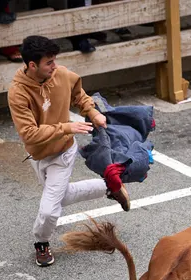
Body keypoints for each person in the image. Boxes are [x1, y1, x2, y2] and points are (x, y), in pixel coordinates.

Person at [8, 35, 131, 267]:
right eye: (49, 63)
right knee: (60, 197)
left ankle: (41, 243)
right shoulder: (18, 93)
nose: (54, 67)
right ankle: (109, 186)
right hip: (38, 154)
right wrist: (67, 126)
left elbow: (78, 93)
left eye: (55, 60)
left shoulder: (61, 74)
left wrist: (92, 112)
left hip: (63, 153)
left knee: (48, 211)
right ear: (32, 65)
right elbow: (29, 134)